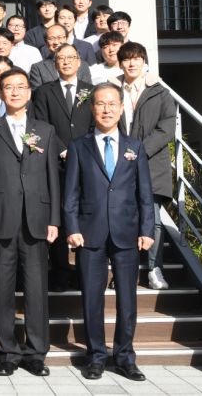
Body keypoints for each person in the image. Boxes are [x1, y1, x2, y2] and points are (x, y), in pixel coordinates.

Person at [63, 81, 154, 382]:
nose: (106, 109)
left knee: (128, 298)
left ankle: (125, 357)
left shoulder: (135, 147)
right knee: (92, 298)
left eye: (112, 103)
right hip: (89, 233)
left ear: (121, 107)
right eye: (100, 103)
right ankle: (96, 356)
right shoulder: (79, 146)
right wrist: (72, 227)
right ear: (92, 108)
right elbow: (71, 193)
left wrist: (147, 229)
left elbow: (145, 194)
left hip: (127, 233)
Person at [0, 67, 59, 377]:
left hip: (36, 220)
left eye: (20, 86)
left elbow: (53, 177)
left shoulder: (45, 130)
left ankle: (36, 352)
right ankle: (8, 351)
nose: (14, 92)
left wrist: (54, 219)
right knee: (1, 289)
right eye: (8, 87)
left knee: (36, 290)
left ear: (29, 92)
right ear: (0, 92)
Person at [110, 42, 174, 290]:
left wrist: (138, 152)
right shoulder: (112, 90)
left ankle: (154, 268)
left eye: (137, 58)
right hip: (117, 163)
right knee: (120, 218)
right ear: (120, 62)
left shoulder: (160, 92)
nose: (132, 63)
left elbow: (167, 127)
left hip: (151, 163)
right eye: (127, 59)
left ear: (144, 61)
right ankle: (122, 270)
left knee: (153, 220)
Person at [33, 44, 95, 291]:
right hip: (55, 164)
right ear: (54, 63)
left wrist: (80, 150)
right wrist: (61, 148)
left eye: (71, 57)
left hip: (87, 163)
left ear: (79, 62)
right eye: (61, 58)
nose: (66, 62)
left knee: (84, 215)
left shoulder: (91, 91)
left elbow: (97, 124)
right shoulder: (44, 92)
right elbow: (40, 124)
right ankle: (60, 270)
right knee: (57, 217)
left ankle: (84, 271)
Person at [29, 24, 93, 90]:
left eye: (60, 37)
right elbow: (37, 94)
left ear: (66, 38)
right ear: (46, 42)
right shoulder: (38, 68)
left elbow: (87, 91)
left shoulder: (82, 65)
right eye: (52, 38)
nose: (56, 42)